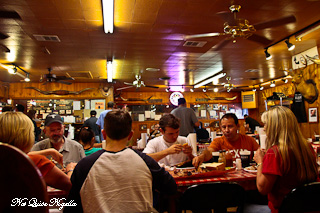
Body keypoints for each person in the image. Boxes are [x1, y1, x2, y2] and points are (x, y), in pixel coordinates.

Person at [65, 110, 177, 212]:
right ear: (130, 135)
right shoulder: (145, 161)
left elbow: (71, 207)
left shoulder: (85, 165)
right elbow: (171, 187)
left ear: (104, 134)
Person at [253, 106, 319, 213]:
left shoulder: (274, 152)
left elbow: (262, 188)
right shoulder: (307, 147)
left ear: (275, 127)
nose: (264, 128)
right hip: (308, 207)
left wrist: (260, 162)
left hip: (283, 208)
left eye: (266, 124)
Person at [0, 111, 72, 191]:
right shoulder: (37, 162)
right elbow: (71, 185)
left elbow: (19, 154)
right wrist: (70, 169)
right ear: (26, 135)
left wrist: (49, 151)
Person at [193, 113, 260, 168]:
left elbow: (261, 155)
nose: (227, 130)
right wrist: (201, 156)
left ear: (237, 126)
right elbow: (209, 151)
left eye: (230, 126)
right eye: (224, 127)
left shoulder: (249, 140)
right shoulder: (218, 141)